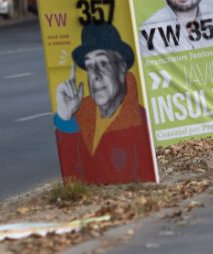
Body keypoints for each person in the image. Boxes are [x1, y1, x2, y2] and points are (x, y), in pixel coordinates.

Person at [54, 23, 157, 184]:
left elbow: (140, 178)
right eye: (89, 66)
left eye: (102, 63)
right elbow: (72, 175)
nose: (94, 75)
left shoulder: (139, 120)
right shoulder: (80, 114)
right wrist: (65, 118)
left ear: (121, 69)